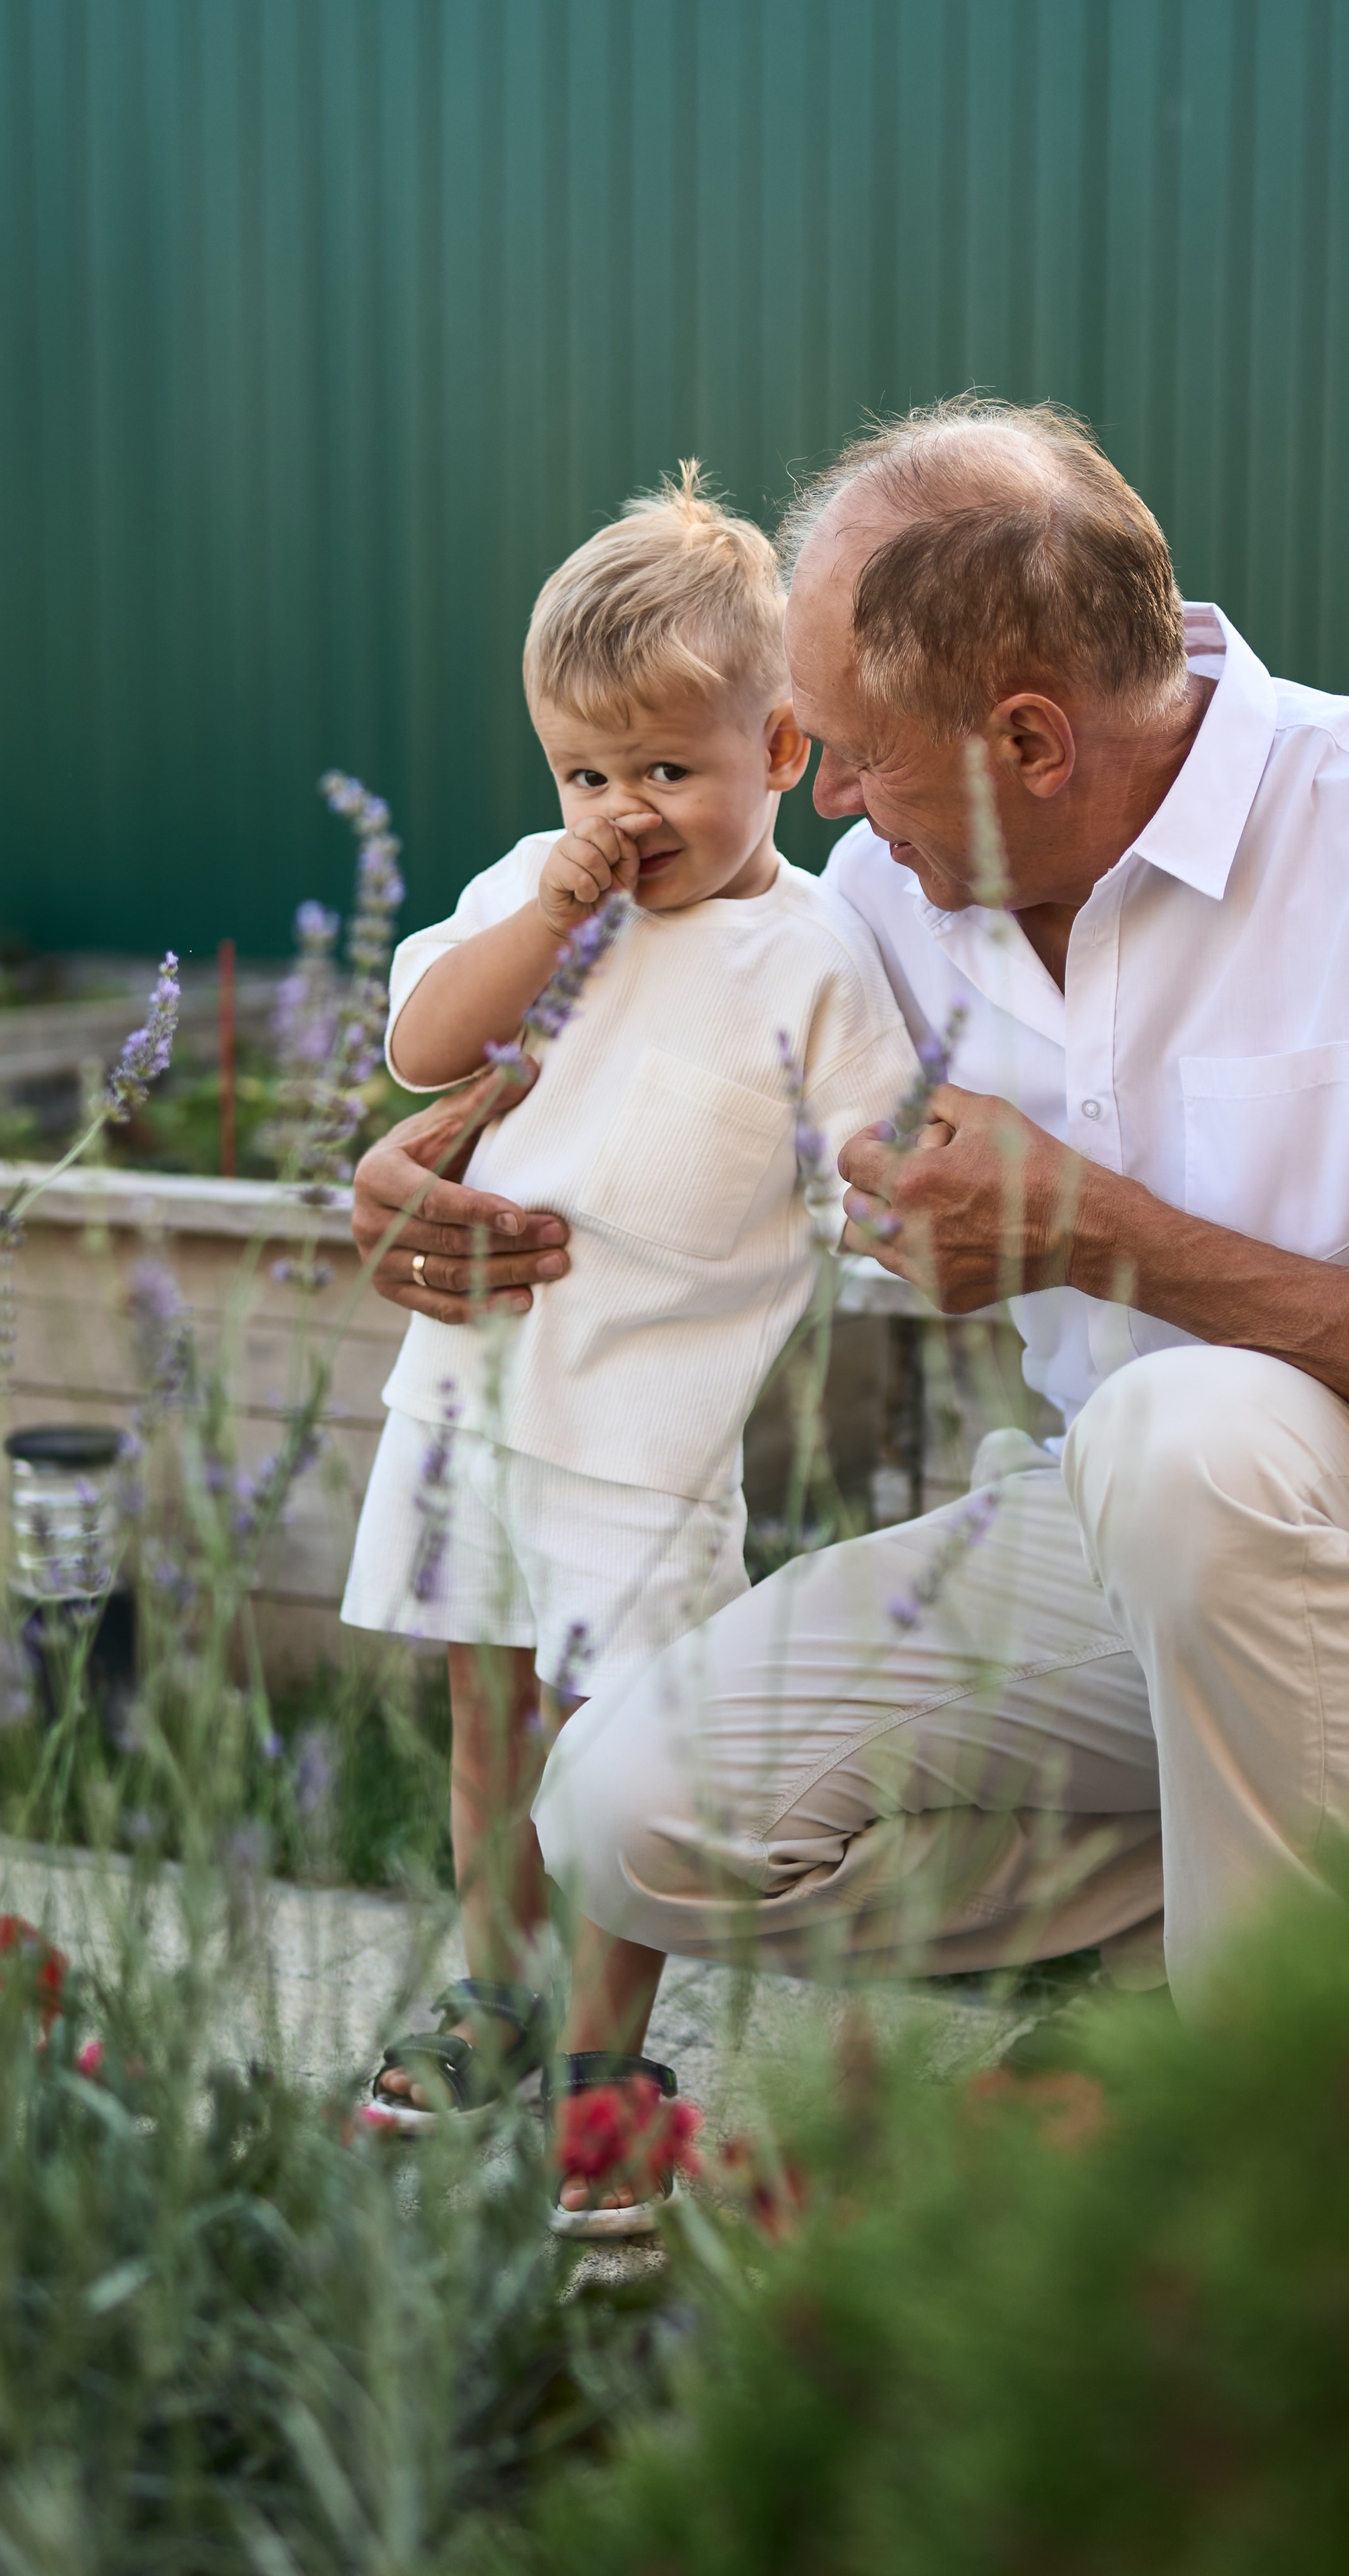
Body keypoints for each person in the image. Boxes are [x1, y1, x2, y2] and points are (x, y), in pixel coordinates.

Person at [352, 396, 1349, 2228]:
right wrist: (413, 1175)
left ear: (1030, 741)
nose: (824, 800)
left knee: (1191, 1427)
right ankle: (1242, 1949)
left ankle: (1274, 2146)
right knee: (622, 1806)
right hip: (1117, 1546)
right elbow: (647, 1014)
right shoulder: (890, 893)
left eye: (861, 757)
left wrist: (1110, 1238)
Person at [341, 466, 917, 2150]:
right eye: (586, 770)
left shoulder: (812, 961)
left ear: (783, 752)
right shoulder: (537, 890)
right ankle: (492, 1991)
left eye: (670, 768)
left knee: (616, 1761)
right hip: (475, 1403)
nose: (622, 810)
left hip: (651, 1450)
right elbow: (422, 1047)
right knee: (490, 1728)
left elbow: (871, 1188)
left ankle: (604, 2054)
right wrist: (545, 907)